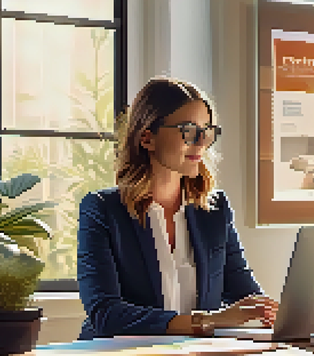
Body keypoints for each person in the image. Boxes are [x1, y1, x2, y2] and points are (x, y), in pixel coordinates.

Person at [76, 77, 279, 340]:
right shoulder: (102, 210)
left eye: (206, 131)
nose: (202, 142)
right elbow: (106, 315)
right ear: (147, 138)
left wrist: (277, 313)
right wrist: (209, 320)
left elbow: (244, 293)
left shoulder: (215, 210)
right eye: (189, 130)